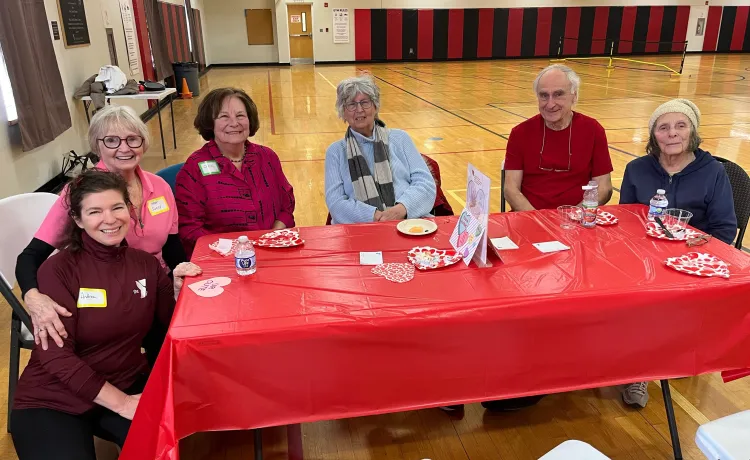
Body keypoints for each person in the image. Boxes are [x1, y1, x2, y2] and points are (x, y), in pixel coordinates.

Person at [10, 170, 201, 460]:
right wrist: (124, 404)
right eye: (95, 211)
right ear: (77, 220)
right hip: (53, 397)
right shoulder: (58, 270)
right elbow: (55, 357)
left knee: (163, 450)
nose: (110, 220)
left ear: (130, 210)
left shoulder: (146, 265)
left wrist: (176, 292)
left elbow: (167, 328)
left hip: (123, 378)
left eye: (117, 207)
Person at [16, 106, 185, 354]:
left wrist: (185, 279)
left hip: (156, 285)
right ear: (97, 146)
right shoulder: (81, 193)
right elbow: (29, 257)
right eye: (112, 140)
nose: (124, 148)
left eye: (133, 139)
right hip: (109, 297)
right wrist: (33, 297)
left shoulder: (159, 186)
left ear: (143, 143)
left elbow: (172, 247)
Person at [618, 99, 737, 408]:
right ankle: (635, 366)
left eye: (680, 126)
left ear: (692, 132)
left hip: (693, 260)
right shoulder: (636, 169)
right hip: (644, 258)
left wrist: (688, 252)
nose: (672, 134)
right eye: (663, 127)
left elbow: (725, 230)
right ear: (653, 135)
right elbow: (627, 222)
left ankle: (655, 360)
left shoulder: (713, 173)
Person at [176, 87, 295, 257]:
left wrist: (272, 235)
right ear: (210, 123)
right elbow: (190, 229)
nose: (234, 123)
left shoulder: (267, 157)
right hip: (220, 260)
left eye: (240, 115)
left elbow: (287, 203)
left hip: (271, 252)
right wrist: (236, 252)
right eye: (224, 116)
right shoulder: (194, 168)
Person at [325, 76, 436, 224]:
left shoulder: (400, 138)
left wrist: (401, 209)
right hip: (358, 230)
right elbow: (336, 203)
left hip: (408, 222)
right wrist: (376, 217)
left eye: (365, 102)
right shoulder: (336, 152)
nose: (359, 110)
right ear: (343, 112)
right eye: (351, 104)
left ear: (375, 106)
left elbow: (426, 184)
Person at [504, 64, 614, 211]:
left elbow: (604, 188)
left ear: (574, 96)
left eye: (558, 94)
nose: (550, 104)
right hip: (530, 218)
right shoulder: (520, 133)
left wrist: (573, 217)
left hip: (579, 220)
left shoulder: (593, 130)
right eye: (544, 95)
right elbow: (511, 190)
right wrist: (540, 220)